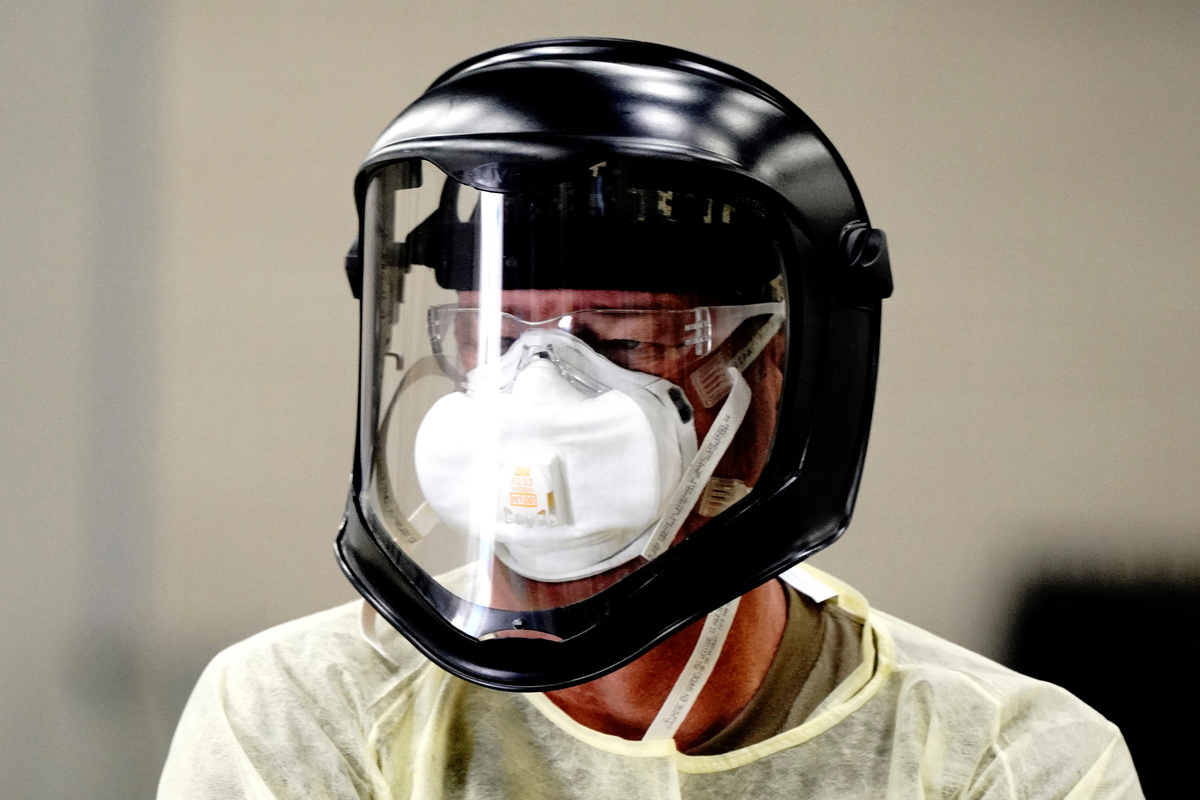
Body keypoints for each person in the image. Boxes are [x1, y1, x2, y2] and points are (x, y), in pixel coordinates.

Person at [158, 39, 1144, 798]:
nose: (536, 392)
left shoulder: (1005, 761)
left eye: (624, 339)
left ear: (773, 380)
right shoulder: (304, 711)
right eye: (494, 339)